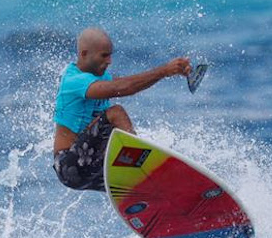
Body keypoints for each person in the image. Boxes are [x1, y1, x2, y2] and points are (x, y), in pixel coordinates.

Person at [52, 27, 191, 191]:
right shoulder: (73, 81)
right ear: (84, 54)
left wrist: (169, 72)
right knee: (116, 113)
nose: (110, 60)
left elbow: (128, 84)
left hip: (90, 164)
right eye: (104, 55)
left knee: (147, 186)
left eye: (110, 54)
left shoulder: (99, 77)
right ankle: (141, 167)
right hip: (70, 165)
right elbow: (122, 88)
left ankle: (164, 190)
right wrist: (164, 71)